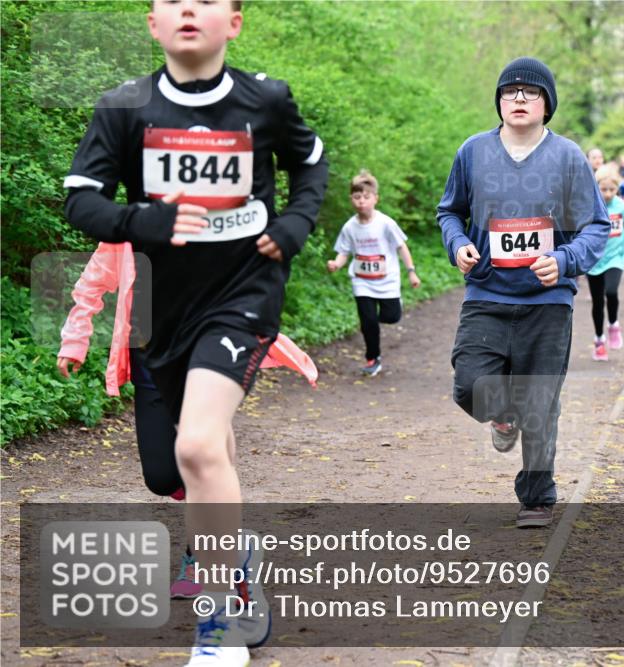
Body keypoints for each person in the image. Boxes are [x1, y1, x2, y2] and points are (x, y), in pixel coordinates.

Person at [63, 0, 328, 663]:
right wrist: (142, 221)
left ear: (233, 23)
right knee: (181, 463)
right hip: (160, 307)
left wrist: (294, 226)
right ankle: (235, 552)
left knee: (201, 445)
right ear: (152, 23)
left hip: (242, 294)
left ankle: (219, 621)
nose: (188, 8)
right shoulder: (123, 107)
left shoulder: (265, 99)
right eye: (172, 0)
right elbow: (80, 198)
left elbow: (313, 166)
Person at [56, 241, 318, 600]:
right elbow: (90, 283)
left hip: (204, 353)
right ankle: (229, 538)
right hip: (148, 356)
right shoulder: (128, 228)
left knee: (202, 451)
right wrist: (75, 340)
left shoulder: (215, 219)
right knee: (161, 477)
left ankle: (208, 554)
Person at [437, 56, 609, 528]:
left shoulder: (568, 157)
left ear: (545, 104)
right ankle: (502, 413)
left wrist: (567, 260)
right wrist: (459, 244)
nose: (518, 98)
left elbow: (596, 225)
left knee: (542, 401)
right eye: (509, 91)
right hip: (487, 293)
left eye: (529, 92)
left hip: (547, 301)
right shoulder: (472, 151)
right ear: (498, 101)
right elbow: (449, 211)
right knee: (470, 384)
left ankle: (537, 497)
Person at [327, 170, 420, 376]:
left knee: (391, 316)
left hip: (387, 280)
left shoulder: (385, 223)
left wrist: (411, 272)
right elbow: (344, 251)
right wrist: (336, 264)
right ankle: (372, 358)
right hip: (362, 281)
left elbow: (402, 247)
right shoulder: (349, 227)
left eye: (366, 197)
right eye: (357, 197)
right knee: (368, 321)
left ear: (375, 199)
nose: (361, 201)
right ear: (351, 199)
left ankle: (395, 307)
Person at [588, 165, 624, 360]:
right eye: (603, 189)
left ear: (617, 189)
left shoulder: (622, 206)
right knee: (597, 302)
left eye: (612, 189)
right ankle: (599, 339)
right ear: (596, 187)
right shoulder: (590, 206)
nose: (608, 194)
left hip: (616, 257)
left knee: (611, 291)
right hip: (594, 259)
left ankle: (614, 324)